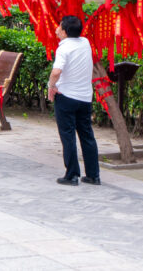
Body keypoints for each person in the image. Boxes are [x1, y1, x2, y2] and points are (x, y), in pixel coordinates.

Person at [47, 15, 101, 186]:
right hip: (85, 98)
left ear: (64, 31)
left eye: (59, 26)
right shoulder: (85, 43)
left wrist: (50, 86)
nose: (56, 29)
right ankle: (93, 175)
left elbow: (56, 72)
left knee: (68, 136)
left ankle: (72, 175)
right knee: (87, 135)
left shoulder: (64, 48)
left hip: (67, 98)